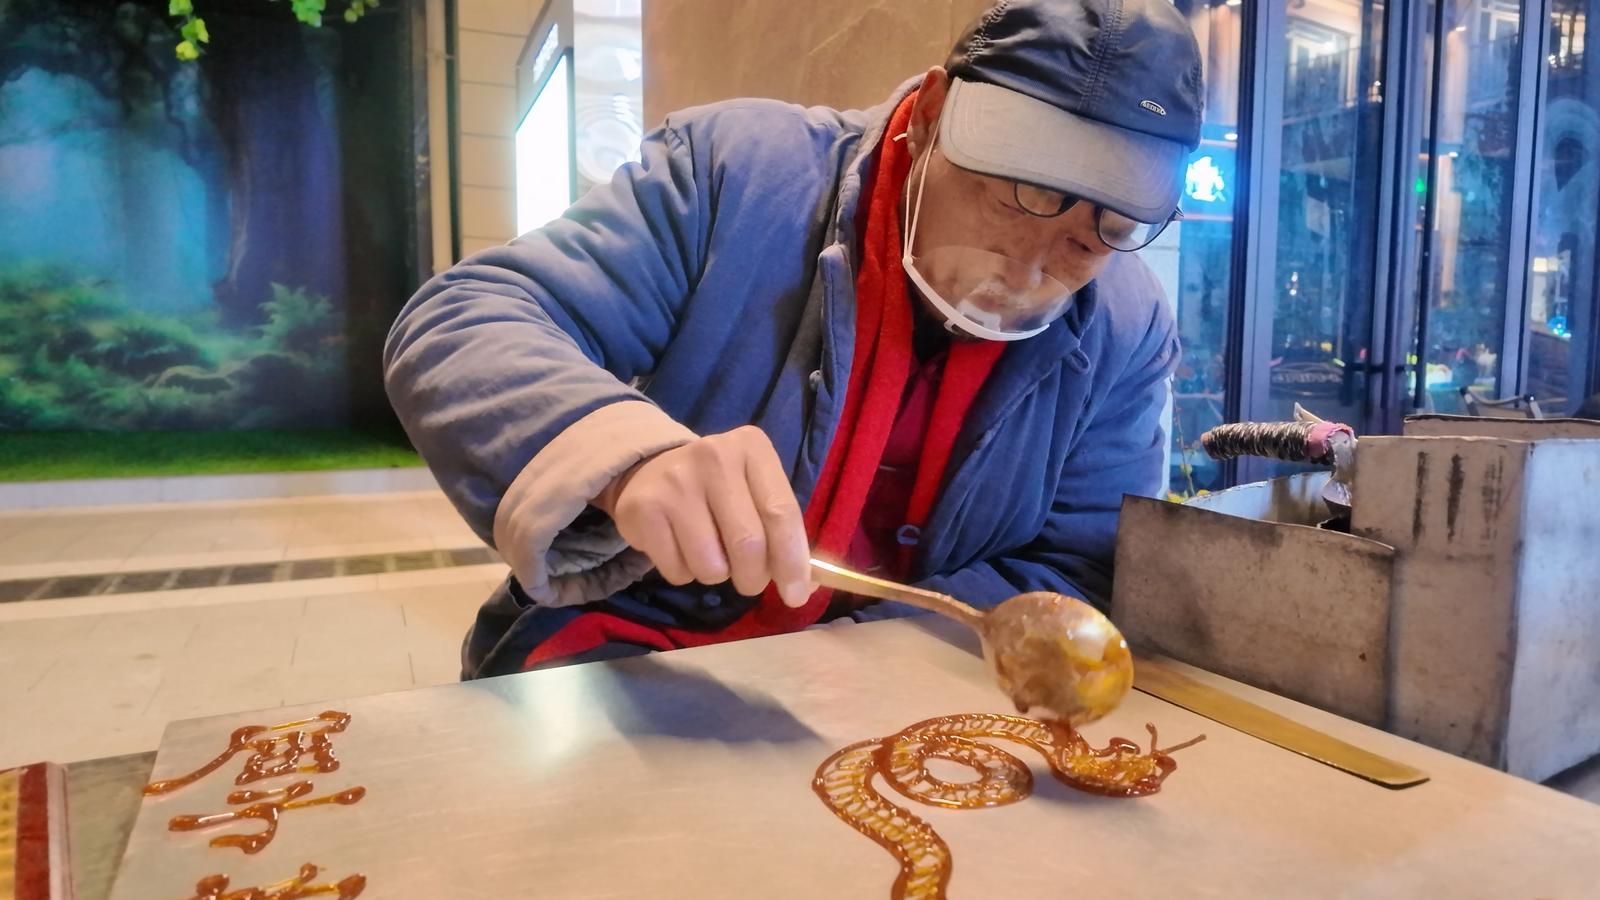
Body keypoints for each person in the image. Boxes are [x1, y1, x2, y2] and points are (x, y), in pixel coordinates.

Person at [384, 0, 1204, 679]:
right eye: (1020, 194)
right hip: (635, 647)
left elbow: (1073, 563)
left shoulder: (1125, 324)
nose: (1030, 266)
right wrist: (625, 455)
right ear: (929, 118)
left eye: (1099, 231)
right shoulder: (736, 175)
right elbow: (466, 317)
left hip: (900, 677)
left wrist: (851, 663)